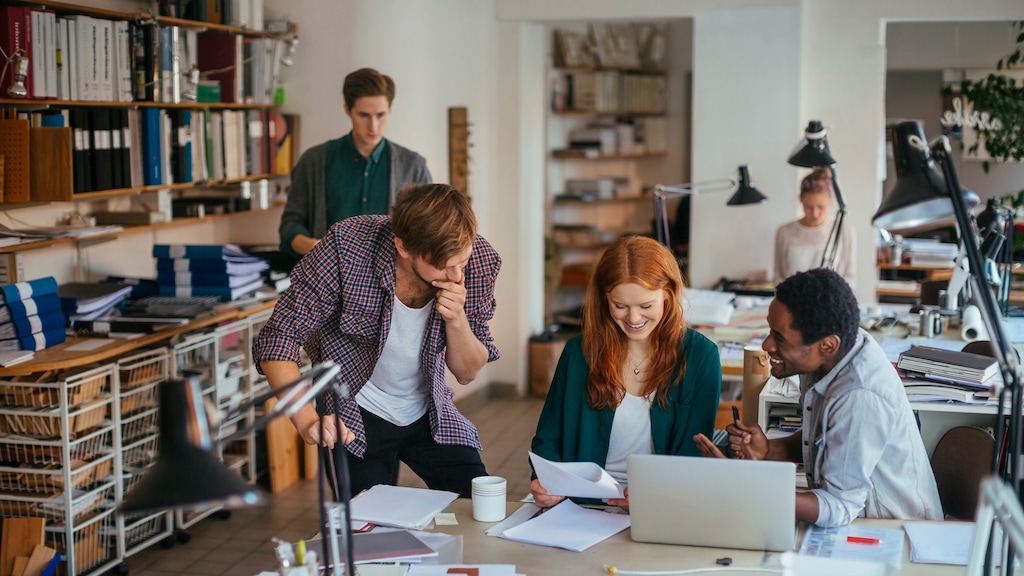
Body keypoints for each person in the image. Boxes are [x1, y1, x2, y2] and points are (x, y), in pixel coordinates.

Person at [254, 183, 501, 498]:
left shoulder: (480, 261)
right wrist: (306, 420)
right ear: (403, 247)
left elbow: (467, 373)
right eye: (442, 265)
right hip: (355, 410)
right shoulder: (346, 247)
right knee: (367, 522)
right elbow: (278, 338)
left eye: (461, 263)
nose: (455, 276)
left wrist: (456, 319)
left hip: (430, 408)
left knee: (479, 501)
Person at [694, 268, 942, 527]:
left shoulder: (859, 397)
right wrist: (769, 449)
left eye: (780, 338)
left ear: (827, 345)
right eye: (770, 330)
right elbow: (827, 439)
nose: (766, 345)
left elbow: (839, 506)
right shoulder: (835, 350)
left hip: (895, 530)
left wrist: (742, 484)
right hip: (858, 517)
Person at [530, 235, 722, 512]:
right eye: (620, 306)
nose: (633, 318)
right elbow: (549, 437)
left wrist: (653, 495)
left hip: (662, 506)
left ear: (668, 294)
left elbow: (693, 455)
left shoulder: (700, 357)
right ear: (604, 298)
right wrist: (543, 481)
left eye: (646, 306)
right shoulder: (578, 352)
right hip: (582, 507)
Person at [279, 67, 432, 258]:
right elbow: (290, 225)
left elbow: (430, 231)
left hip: (393, 276)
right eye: (364, 115)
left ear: (390, 111)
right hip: (329, 274)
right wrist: (313, 246)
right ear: (348, 110)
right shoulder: (313, 161)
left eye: (381, 115)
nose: (373, 126)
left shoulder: (414, 166)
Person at [773, 169, 856, 288]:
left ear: (830, 201)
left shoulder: (844, 230)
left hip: (830, 299)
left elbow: (850, 278)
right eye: (809, 207)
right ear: (800, 200)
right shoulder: (784, 232)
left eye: (821, 207)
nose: (815, 213)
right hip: (793, 298)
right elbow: (778, 277)